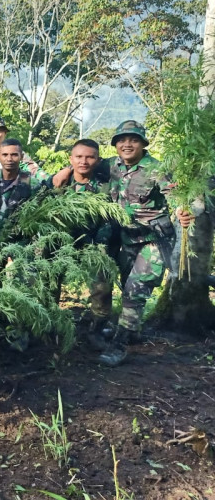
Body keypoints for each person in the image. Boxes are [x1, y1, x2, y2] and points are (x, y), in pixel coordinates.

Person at [96, 121, 192, 366]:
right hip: (125, 239)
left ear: (142, 144)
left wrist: (184, 211)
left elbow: (178, 198)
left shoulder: (156, 169)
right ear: (115, 144)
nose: (127, 144)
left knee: (134, 291)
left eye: (134, 140)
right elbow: (82, 168)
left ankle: (119, 345)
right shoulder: (108, 166)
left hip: (154, 239)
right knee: (125, 282)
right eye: (122, 140)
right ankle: (132, 330)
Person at [49, 139, 117, 349]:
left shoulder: (107, 185)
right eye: (78, 157)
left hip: (94, 243)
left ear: (98, 160)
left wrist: (100, 246)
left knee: (102, 281)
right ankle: (49, 324)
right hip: (62, 243)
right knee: (47, 278)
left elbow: (111, 217)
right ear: (71, 159)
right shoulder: (59, 183)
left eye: (90, 157)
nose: (84, 161)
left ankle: (95, 330)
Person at [0, 138, 45, 248]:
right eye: (5, 155)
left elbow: (36, 219)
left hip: (18, 247)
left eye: (14, 155)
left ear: (21, 156)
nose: (9, 159)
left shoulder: (31, 184)